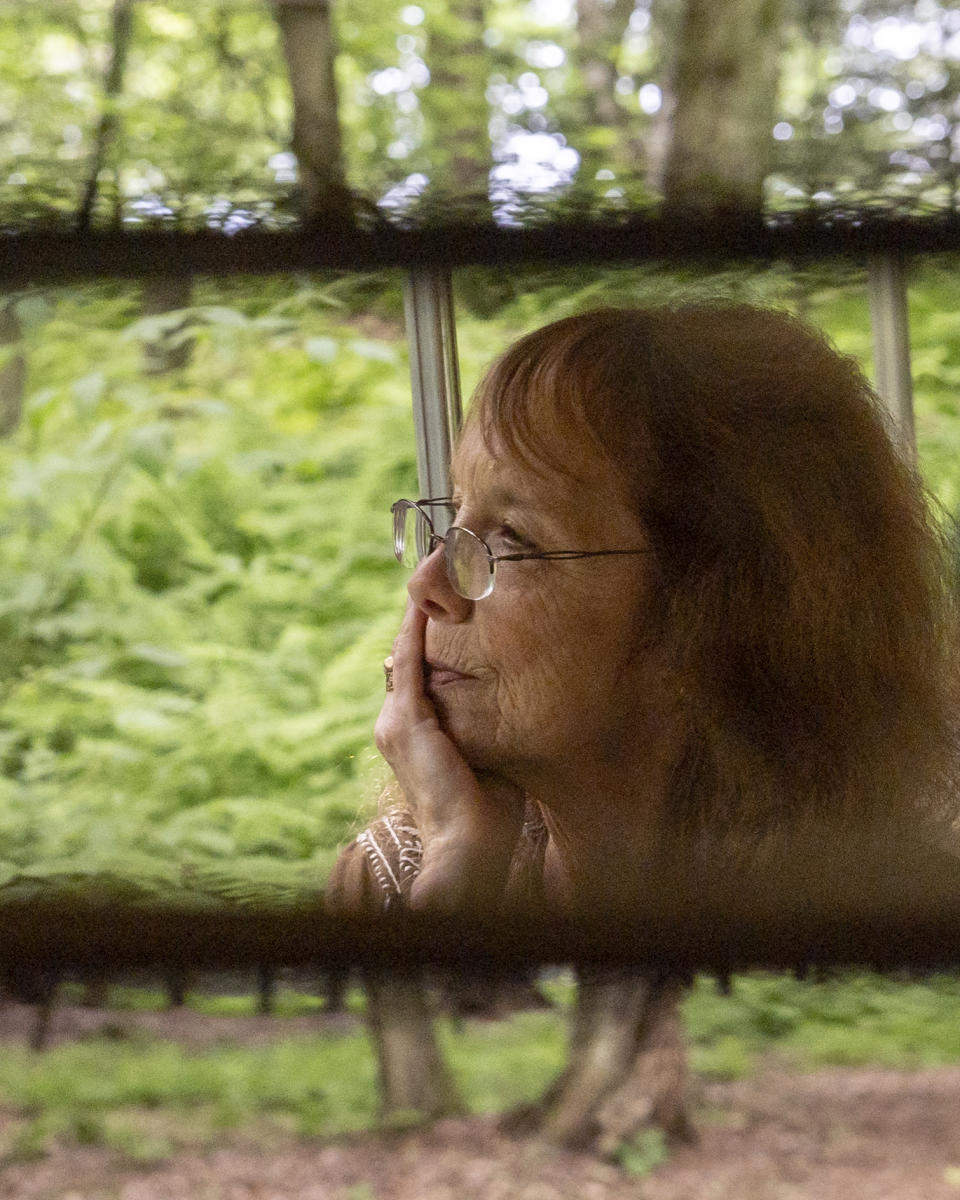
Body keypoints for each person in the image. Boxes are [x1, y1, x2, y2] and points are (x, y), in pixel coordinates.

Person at [327, 303, 960, 953]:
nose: (427, 587)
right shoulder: (392, 883)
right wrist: (458, 876)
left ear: (716, 611)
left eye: (513, 538)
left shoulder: (898, 922)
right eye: (452, 516)